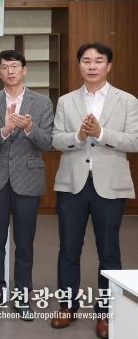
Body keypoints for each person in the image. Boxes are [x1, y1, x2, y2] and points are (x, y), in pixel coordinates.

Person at [50, 42, 138, 339]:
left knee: (109, 252)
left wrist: (101, 133)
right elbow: (56, 139)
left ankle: (105, 314)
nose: (92, 65)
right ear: (79, 65)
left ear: (108, 66)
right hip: (72, 184)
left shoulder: (127, 101)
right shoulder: (66, 101)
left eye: (98, 61)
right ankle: (67, 306)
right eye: (86, 60)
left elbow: (134, 141)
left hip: (110, 185)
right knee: (68, 249)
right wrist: (78, 135)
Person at [0, 50, 53, 319]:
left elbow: (49, 142)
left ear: (24, 69)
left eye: (15, 66)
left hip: (28, 179)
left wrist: (30, 128)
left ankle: (23, 297)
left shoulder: (42, 103)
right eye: (4, 67)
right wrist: (5, 130)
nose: (10, 71)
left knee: (24, 242)